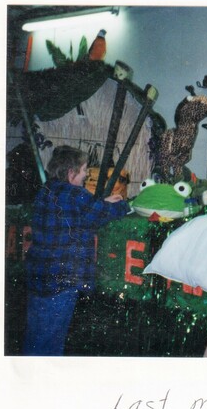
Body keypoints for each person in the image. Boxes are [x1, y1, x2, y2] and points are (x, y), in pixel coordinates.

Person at [22, 145, 130, 355]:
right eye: (83, 171)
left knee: (35, 335)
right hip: (62, 280)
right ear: (71, 173)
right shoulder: (76, 194)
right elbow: (102, 213)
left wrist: (101, 202)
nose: (86, 175)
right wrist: (123, 205)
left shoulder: (45, 190)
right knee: (52, 340)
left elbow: (80, 211)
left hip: (38, 276)